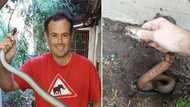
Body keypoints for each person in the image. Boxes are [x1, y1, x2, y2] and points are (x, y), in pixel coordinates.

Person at [0, 12, 101, 107]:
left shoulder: (87, 67)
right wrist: (5, 60)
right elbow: (7, 86)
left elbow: (99, 101)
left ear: (72, 36)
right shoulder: (34, 66)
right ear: (46, 37)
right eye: (54, 35)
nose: (59, 41)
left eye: (64, 35)